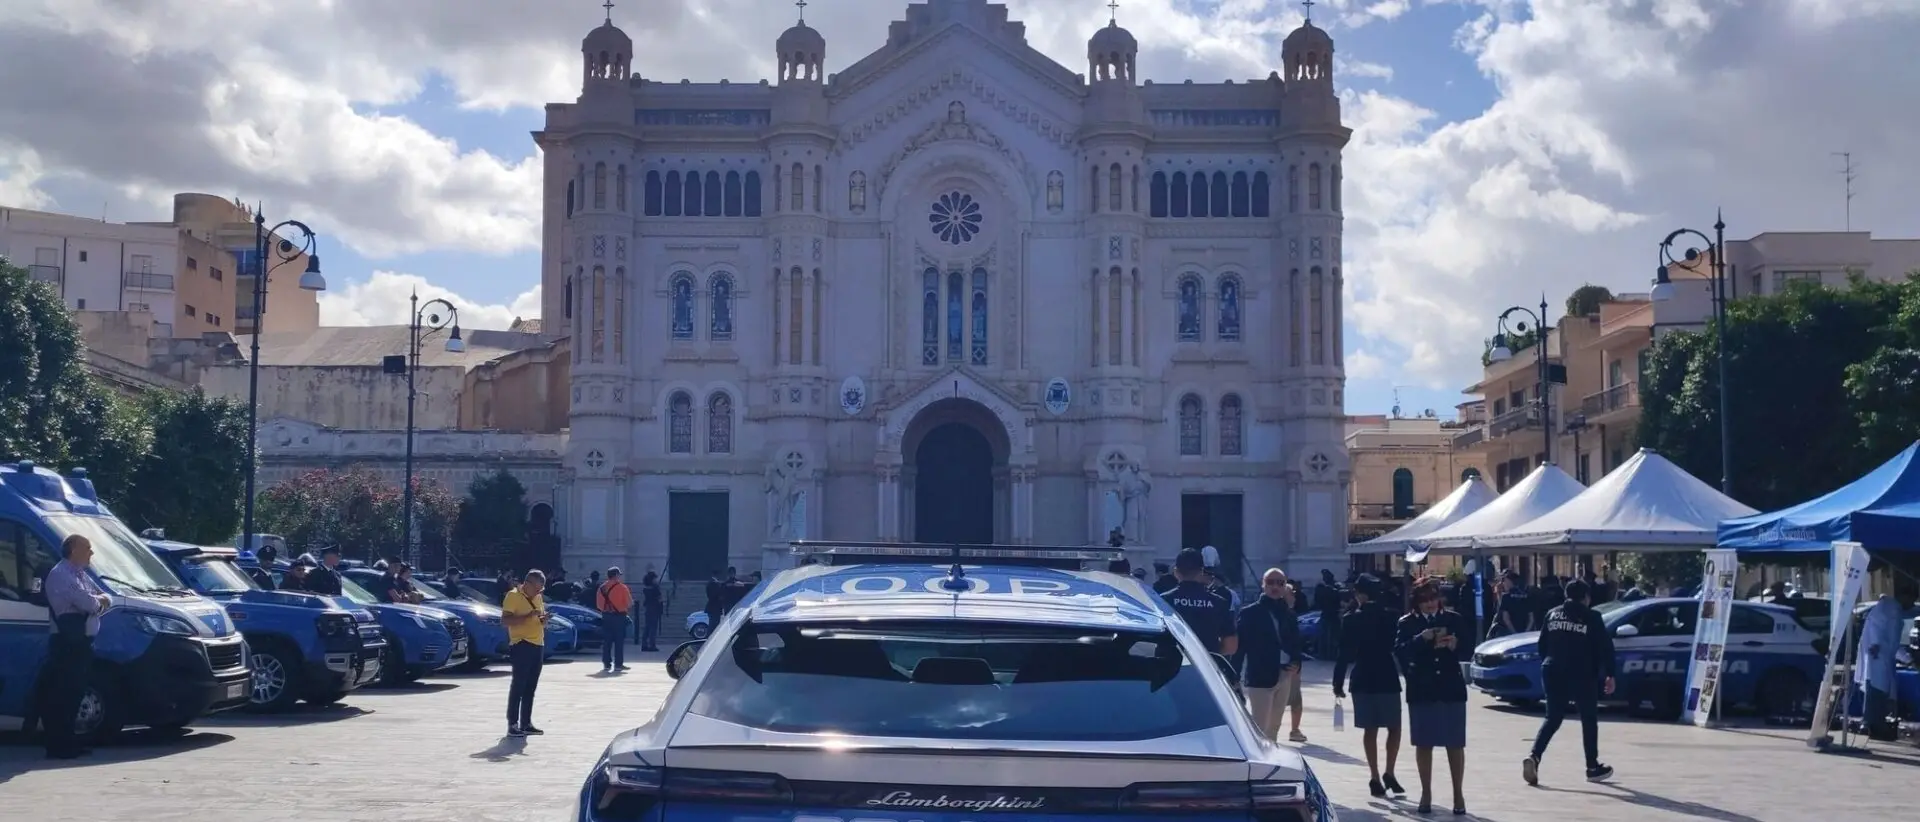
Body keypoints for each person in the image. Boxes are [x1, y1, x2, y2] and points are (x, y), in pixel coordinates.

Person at [1524, 578, 1615, 785]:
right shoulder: (1592, 617)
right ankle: (1592, 767)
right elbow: (1605, 647)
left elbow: (1542, 644)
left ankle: (1534, 756)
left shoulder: (1552, 614)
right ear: (1586, 597)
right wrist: (1610, 673)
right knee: (1588, 718)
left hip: (1551, 668)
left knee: (1553, 717)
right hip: (1580, 672)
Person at [1395, 578, 1472, 815]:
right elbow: (1400, 651)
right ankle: (1426, 792)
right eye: (1424, 599)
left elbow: (1470, 647)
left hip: (1450, 687)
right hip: (1422, 688)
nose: (1429, 604)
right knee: (1424, 742)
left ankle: (1458, 794)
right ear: (1416, 601)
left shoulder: (1452, 618)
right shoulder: (1407, 622)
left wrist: (1455, 644)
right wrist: (1421, 638)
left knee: (1454, 742)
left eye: (1433, 598)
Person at [1333, 574, 1405, 798]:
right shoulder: (1391, 616)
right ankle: (1389, 772)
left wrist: (1337, 682)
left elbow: (1344, 653)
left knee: (1370, 729)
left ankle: (1374, 775)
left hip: (1363, 675)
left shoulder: (1351, 619)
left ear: (1360, 594)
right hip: (1387, 674)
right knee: (1394, 726)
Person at [41, 534, 111, 759]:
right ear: (74, 550)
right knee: (63, 693)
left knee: (75, 693)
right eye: (87, 548)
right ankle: (58, 746)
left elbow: (105, 598)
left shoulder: (79, 574)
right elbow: (91, 602)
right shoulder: (61, 575)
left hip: (81, 643)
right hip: (67, 644)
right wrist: (98, 601)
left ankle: (69, 742)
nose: (91, 553)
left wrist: (99, 601)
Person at [1235, 568, 1304, 744]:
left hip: (1284, 674)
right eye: (1270, 582)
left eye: (1280, 583)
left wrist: (1297, 662)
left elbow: (1295, 643)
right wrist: (1233, 675)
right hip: (1260, 675)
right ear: (1263, 585)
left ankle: (1271, 760)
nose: (1275, 587)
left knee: (1275, 726)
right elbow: (1240, 647)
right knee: (1259, 726)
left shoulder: (1288, 614)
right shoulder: (1250, 613)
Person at [1856, 585, 1916, 742]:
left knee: (1876, 693)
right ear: (1905, 597)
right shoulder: (1889, 610)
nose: (1912, 604)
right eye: (1912, 600)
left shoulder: (1890, 609)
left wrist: (1907, 659)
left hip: (1879, 658)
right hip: (1877, 658)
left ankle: (1873, 724)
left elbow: (1891, 644)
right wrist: (1908, 659)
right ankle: (1873, 726)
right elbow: (1883, 638)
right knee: (1876, 693)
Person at [501, 569, 551, 737]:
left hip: (538, 644)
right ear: (527, 584)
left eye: (541, 590)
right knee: (518, 686)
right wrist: (528, 616)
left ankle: (526, 723)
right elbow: (505, 620)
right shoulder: (513, 596)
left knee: (531, 687)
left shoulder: (538, 597)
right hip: (521, 644)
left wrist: (544, 620)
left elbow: (539, 619)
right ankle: (513, 724)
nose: (539, 592)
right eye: (537, 588)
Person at [1162, 548, 1236, 656]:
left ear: (1176, 572)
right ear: (1201, 571)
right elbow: (1231, 646)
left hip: (1173, 668)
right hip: (1206, 669)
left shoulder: (1163, 601)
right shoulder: (1219, 603)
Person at [596, 568, 633, 673]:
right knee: (619, 641)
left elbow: (599, 605)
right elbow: (629, 603)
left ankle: (606, 664)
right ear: (616, 575)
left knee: (607, 641)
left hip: (606, 616)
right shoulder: (622, 588)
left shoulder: (601, 588)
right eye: (619, 575)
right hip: (619, 617)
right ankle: (618, 664)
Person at [1313, 569, 1345, 659]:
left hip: (1332, 613)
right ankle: (1327, 653)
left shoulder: (1333, 587)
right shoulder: (1330, 588)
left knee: (1330, 634)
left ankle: (1329, 653)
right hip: (1329, 613)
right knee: (1326, 634)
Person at [639, 571, 665, 652]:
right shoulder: (655, 588)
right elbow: (660, 598)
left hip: (648, 609)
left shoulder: (646, 589)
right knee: (653, 628)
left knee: (647, 627)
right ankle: (652, 645)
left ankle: (644, 644)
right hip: (655, 609)